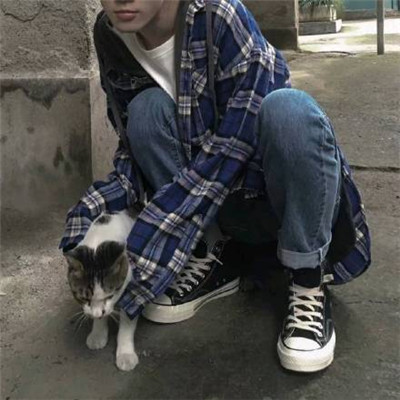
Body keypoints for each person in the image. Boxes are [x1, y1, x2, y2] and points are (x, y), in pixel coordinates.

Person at [60, 0, 371, 372]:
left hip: (271, 199)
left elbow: (235, 146)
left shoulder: (218, 15)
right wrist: (90, 216)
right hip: (215, 208)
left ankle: (307, 278)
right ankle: (215, 253)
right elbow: (131, 147)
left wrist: (154, 239)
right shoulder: (109, 32)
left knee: (289, 110)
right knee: (144, 112)